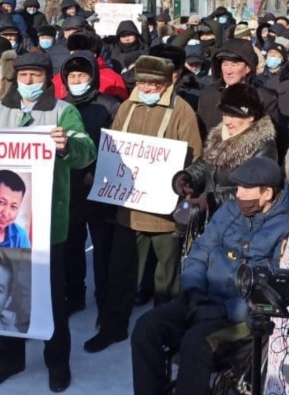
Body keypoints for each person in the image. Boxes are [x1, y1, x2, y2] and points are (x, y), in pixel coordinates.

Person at [0, 51, 95, 393]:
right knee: (7, 292)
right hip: (4, 225)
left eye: (35, 76)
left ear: (47, 78)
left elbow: (87, 151)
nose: (28, 82)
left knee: (50, 297)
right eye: (23, 76)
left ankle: (57, 362)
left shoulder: (63, 111)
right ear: (15, 78)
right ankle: (9, 359)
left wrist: (67, 144)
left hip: (46, 223)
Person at [131, 156, 289, 395]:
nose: (238, 194)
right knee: (146, 327)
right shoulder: (230, 210)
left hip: (242, 318)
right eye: (237, 187)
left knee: (196, 342)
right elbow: (199, 252)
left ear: (267, 193)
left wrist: (225, 310)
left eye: (245, 189)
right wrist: (194, 292)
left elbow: (269, 288)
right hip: (203, 299)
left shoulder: (286, 227)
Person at [85, 55, 202, 353]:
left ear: (168, 83)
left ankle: (167, 333)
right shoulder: (126, 107)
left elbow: (195, 159)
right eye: (143, 82)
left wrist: (186, 197)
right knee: (121, 271)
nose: (148, 88)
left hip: (165, 211)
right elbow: (112, 149)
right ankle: (113, 326)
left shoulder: (183, 111)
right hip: (128, 209)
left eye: (154, 83)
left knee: (167, 278)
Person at [56, 50, 121, 316]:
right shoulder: (59, 106)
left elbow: (118, 146)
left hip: (100, 187)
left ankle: (105, 296)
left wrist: (97, 170)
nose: (77, 80)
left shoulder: (109, 105)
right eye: (72, 75)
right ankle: (75, 293)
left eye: (82, 74)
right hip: (69, 186)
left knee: (103, 246)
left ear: (92, 76)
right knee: (72, 245)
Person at [173, 84, 277, 214]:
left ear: (250, 116)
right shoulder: (221, 134)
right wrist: (188, 176)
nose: (227, 121)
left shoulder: (264, 146)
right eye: (225, 114)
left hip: (236, 219)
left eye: (234, 115)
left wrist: (212, 200)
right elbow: (206, 162)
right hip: (209, 215)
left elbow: (254, 190)